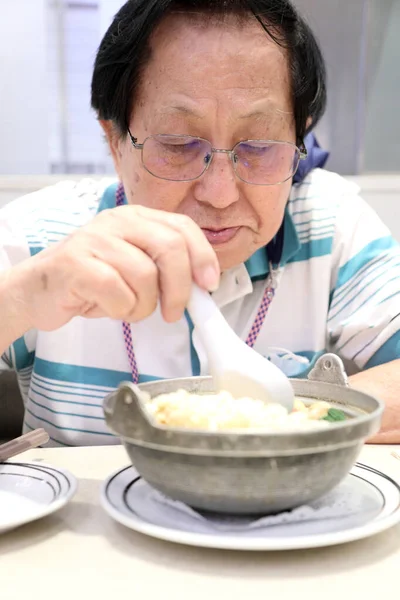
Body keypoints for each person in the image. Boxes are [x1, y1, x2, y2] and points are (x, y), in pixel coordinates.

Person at [0, 0, 399, 447]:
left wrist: (288, 417)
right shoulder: (42, 236)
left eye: (261, 146)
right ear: (115, 143)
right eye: (178, 143)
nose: (221, 192)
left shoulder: (332, 223)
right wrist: (22, 297)